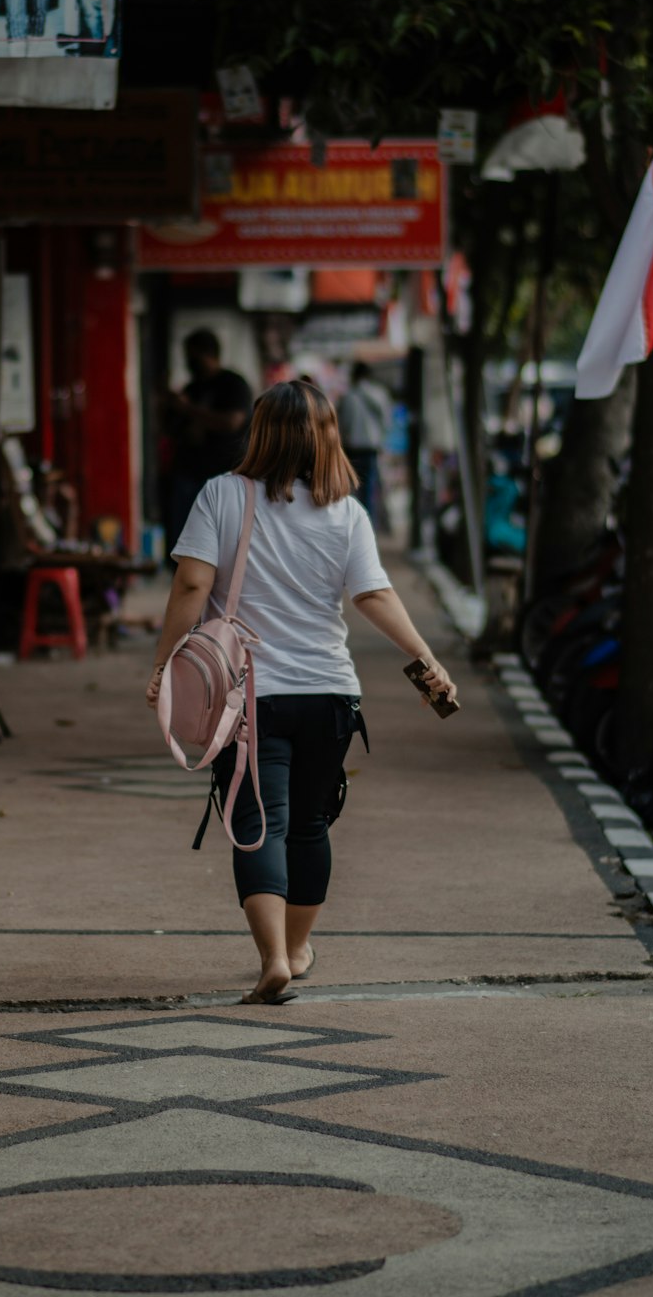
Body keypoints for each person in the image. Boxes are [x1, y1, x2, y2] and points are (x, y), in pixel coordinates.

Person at [146, 380, 457, 1004]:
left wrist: (163, 665)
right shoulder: (345, 510)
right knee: (311, 826)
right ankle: (295, 948)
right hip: (329, 693)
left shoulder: (221, 495)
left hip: (248, 695)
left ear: (259, 432)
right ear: (328, 438)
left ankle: (272, 959)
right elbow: (373, 596)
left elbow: (189, 587)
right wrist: (426, 658)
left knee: (260, 822)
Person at [163, 329, 253, 555]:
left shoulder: (233, 384)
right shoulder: (190, 388)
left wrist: (189, 410)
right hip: (189, 472)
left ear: (208, 354)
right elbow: (173, 429)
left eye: (192, 355)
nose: (188, 362)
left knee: (224, 540)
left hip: (225, 472)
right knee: (187, 541)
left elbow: (232, 422)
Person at [337, 361, 392, 520]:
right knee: (369, 490)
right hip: (371, 448)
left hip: (352, 448)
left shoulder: (348, 396)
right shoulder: (379, 394)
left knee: (351, 490)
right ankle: (367, 524)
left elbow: (343, 424)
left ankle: (353, 522)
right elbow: (386, 421)